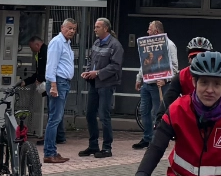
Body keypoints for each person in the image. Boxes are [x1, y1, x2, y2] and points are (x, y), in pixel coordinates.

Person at [80, 17, 124, 158]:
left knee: (104, 116)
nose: (95, 29)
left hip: (106, 84)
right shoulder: (96, 42)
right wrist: (88, 71)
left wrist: (98, 73)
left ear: (106, 28)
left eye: (98, 27)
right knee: (90, 114)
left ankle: (107, 147)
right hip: (94, 83)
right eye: (95, 26)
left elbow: (115, 66)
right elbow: (91, 60)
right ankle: (93, 145)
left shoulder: (115, 46)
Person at [134, 20, 178, 149]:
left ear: (156, 31)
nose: (147, 32)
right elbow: (145, 62)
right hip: (147, 84)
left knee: (157, 113)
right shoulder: (147, 46)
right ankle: (147, 138)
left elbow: (175, 67)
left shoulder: (169, 45)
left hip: (160, 85)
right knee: (144, 111)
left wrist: (165, 80)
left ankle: (157, 139)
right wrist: (139, 78)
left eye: (149, 29)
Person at [43, 19, 77, 163]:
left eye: (74, 29)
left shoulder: (66, 43)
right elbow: (51, 66)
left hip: (64, 82)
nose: (72, 31)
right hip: (58, 82)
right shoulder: (57, 42)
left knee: (56, 118)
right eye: (69, 28)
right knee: (54, 119)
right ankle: (49, 152)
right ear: (62, 28)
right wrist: (53, 86)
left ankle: (52, 151)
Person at [158, 35, 214, 116]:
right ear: (189, 59)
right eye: (194, 57)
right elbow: (167, 101)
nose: (198, 61)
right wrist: (159, 120)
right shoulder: (181, 76)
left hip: (213, 115)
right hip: (189, 116)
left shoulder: (217, 76)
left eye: (202, 57)